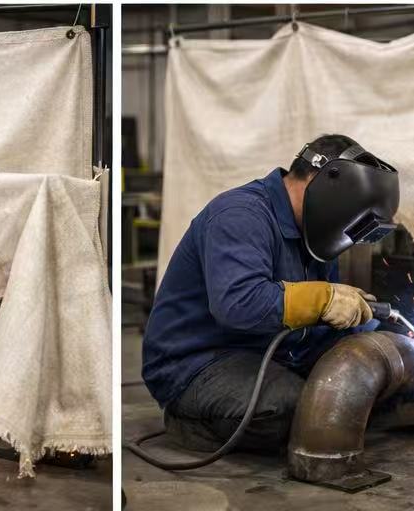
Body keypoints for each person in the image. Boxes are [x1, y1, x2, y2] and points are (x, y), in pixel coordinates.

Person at [141, 134, 400, 453]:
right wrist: (322, 300)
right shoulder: (240, 215)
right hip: (196, 362)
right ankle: (189, 422)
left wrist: (373, 332)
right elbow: (238, 303)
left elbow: (320, 323)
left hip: (270, 352)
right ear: (323, 184)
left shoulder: (316, 236)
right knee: (299, 410)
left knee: (360, 386)